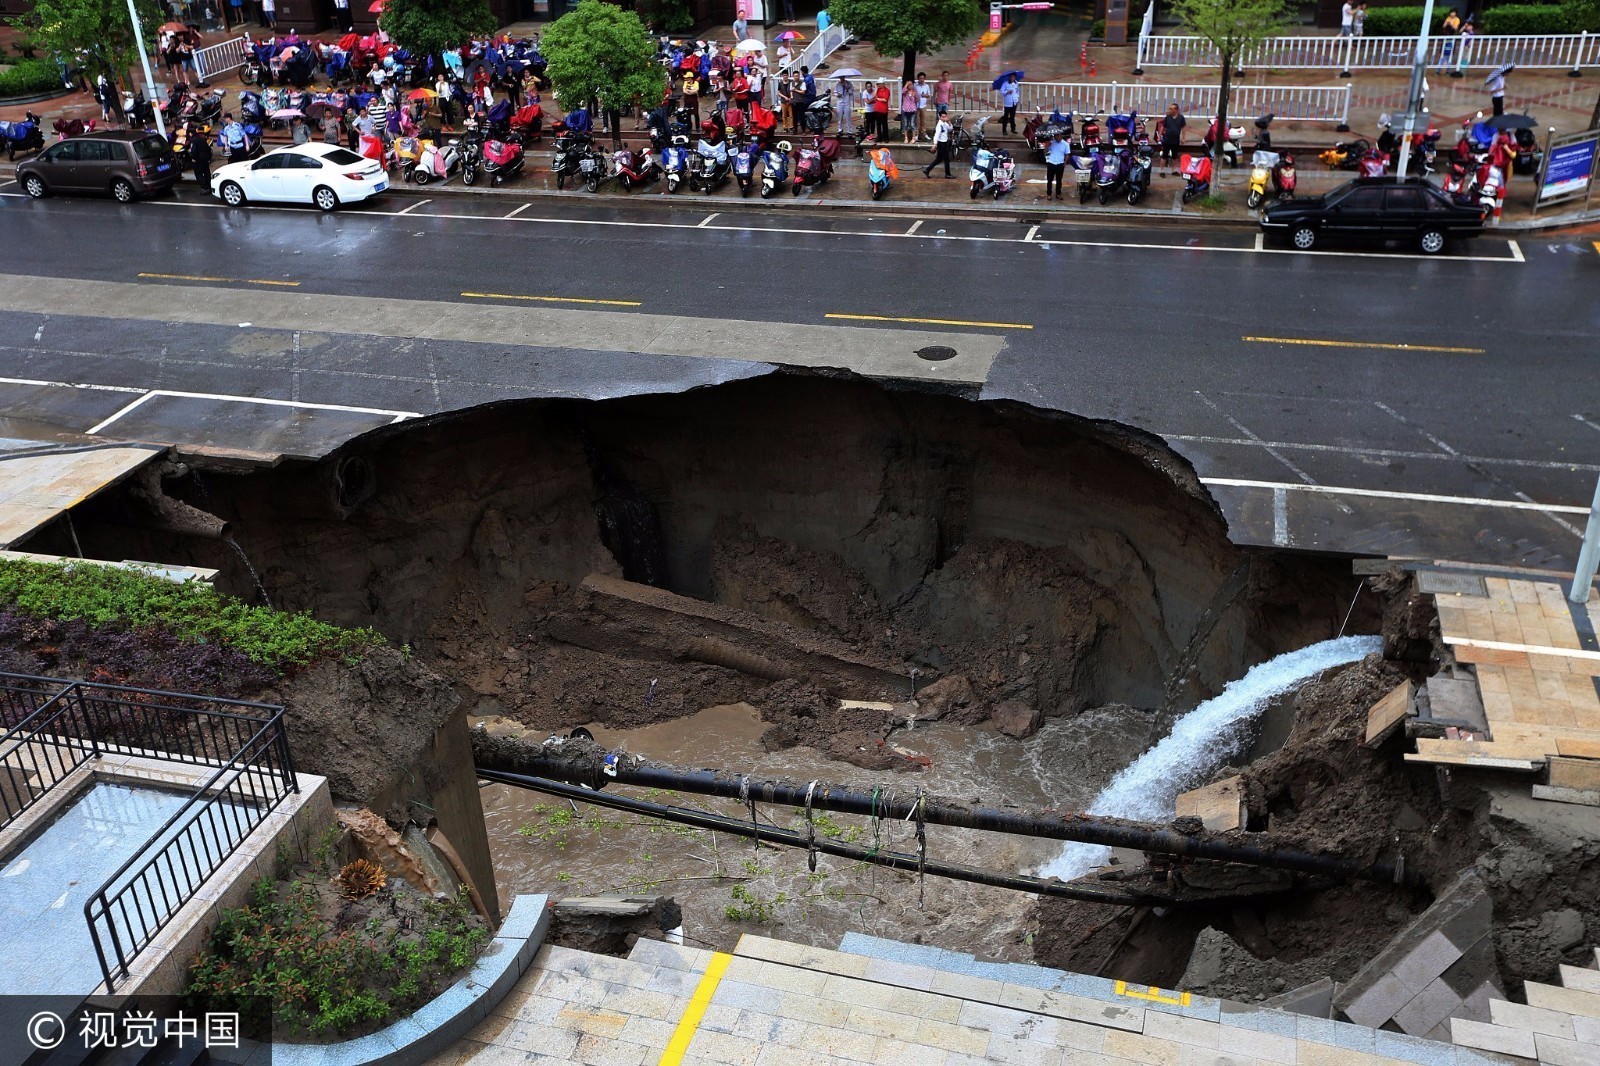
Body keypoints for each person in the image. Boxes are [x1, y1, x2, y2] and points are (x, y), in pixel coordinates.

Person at [923, 110, 953, 177]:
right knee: (946, 159)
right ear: (940, 117)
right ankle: (947, 174)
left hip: (945, 142)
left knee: (939, 159)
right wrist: (935, 144)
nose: (944, 118)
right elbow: (936, 135)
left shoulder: (945, 123)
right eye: (943, 117)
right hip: (941, 143)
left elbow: (950, 128)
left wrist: (949, 122)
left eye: (945, 117)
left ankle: (927, 170)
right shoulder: (939, 125)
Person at [1043, 128, 1068, 199]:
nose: (1056, 137)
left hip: (1060, 164)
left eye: (1058, 136)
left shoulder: (1065, 144)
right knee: (1049, 180)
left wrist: (1064, 163)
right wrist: (1047, 146)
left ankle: (1058, 193)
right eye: (1055, 136)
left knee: (1059, 180)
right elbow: (1045, 152)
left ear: (1061, 136)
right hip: (1051, 163)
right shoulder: (1051, 143)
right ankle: (1049, 194)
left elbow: (1067, 154)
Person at [1160, 102, 1184, 173]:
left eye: (1172, 109)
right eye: (1170, 109)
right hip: (1167, 139)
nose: (1171, 110)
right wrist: (1159, 136)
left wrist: (1183, 138)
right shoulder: (1168, 118)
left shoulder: (1181, 118)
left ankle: (1174, 170)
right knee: (1164, 155)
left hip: (1175, 140)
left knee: (1174, 156)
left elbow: (1184, 128)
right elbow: (1163, 127)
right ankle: (1162, 170)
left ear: (1176, 110)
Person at [1439, 9, 1460, 73]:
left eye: (1453, 12)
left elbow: (1455, 28)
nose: (1452, 14)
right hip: (1446, 37)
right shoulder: (1448, 18)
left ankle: (1448, 70)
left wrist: (1450, 24)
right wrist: (1446, 23)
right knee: (1443, 53)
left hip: (1452, 38)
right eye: (1451, 12)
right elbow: (1444, 26)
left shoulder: (1457, 19)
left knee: (1449, 54)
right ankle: (1438, 69)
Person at [914, 72, 932, 140]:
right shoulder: (915, 86)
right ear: (918, 78)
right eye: (920, 78)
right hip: (916, 106)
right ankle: (916, 134)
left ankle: (923, 133)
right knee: (917, 121)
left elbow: (929, 95)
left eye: (923, 78)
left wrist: (925, 95)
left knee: (923, 121)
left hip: (923, 106)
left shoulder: (926, 86)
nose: (922, 79)